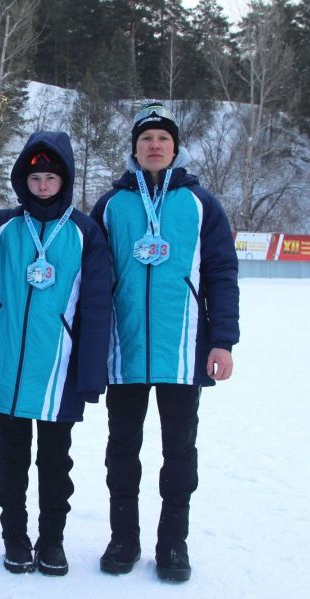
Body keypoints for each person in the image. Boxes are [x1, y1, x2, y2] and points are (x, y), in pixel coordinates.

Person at [0, 131, 113, 576]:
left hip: (60, 370)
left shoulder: (85, 232)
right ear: (23, 180)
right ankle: (15, 538)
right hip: (6, 365)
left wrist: (91, 374)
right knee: (11, 460)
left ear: (65, 181)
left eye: (50, 178)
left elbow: (97, 306)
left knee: (56, 464)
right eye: (35, 177)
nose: (42, 185)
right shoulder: (2, 224)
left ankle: (52, 541)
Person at [89, 102, 239, 581]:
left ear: (175, 149)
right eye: (146, 139)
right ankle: (123, 539)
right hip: (124, 349)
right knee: (122, 451)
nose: (154, 145)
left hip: (182, 350)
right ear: (134, 149)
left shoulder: (200, 204)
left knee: (179, 453)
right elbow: (93, 278)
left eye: (163, 139)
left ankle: (173, 544)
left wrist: (223, 340)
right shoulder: (112, 204)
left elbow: (221, 273)